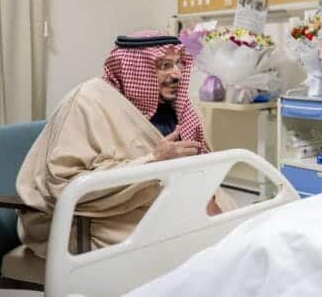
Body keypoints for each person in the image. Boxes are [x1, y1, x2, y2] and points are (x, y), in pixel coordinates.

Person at [15, 31, 234, 259]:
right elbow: (65, 184)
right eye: (164, 65)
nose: (177, 74)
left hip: (164, 203)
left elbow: (201, 163)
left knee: (237, 227)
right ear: (136, 68)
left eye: (178, 63)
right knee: (187, 249)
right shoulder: (87, 102)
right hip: (101, 215)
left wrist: (206, 198)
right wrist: (153, 161)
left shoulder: (180, 106)